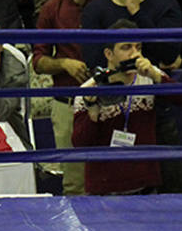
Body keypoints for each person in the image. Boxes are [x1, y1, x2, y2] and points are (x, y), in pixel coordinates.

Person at [33, 0, 111, 196]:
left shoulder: (110, 1)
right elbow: (38, 60)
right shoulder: (51, 8)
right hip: (67, 103)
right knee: (74, 183)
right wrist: (63, 63)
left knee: (113, 177)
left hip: (109, 100)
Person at [71, 20, 172, 195]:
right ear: (109, 54)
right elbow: (79, 144)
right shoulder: (89, 89)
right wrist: (93, 113)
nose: (135, 54)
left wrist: (156, 76)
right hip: (104, 190)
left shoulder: (149, 77)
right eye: (126, 47)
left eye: (138, 47)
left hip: (145, 186)